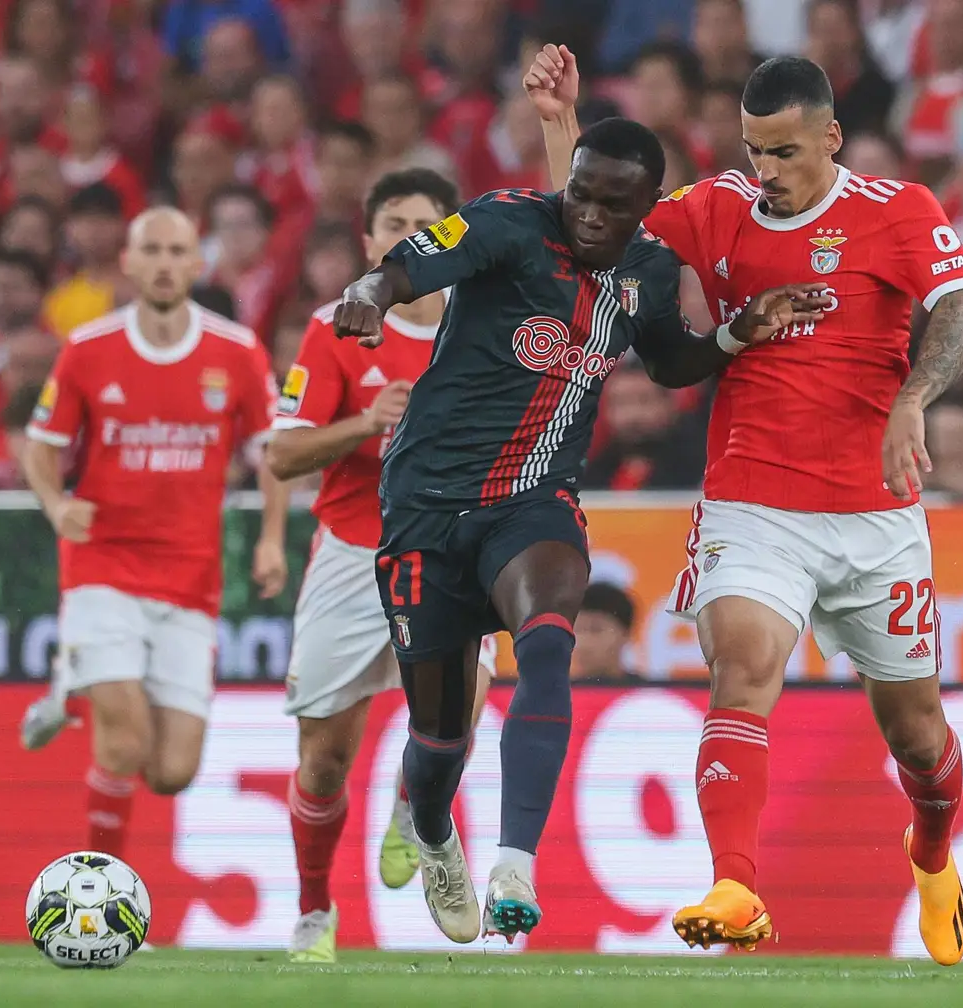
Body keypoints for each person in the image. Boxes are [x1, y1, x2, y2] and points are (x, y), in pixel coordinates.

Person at [526, 46, 963, 964]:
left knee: (919, 735)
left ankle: (931, 851)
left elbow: (960, 309)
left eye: (783, 153)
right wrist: (559, 124)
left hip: (875, 514)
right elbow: (597, 224)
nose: (766, 173)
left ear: (831, 138)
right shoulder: (721, 206)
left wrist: (910, 402)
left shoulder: (898, 212)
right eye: (753, 150)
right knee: (741, 668)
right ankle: (735, 883)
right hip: (752, 498)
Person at [330, 117, 825, 944]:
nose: (590, 214)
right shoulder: (505, 221)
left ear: (645, 210)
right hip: (425, 506)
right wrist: (366, 297)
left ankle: (514, 863)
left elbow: (669, 362)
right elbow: (408, 266)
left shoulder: (649, 269)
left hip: (535, 502)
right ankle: (432, 828)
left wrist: (737, 334)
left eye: (612, 205)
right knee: (439, 737)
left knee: (550, 637)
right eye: (581, 194)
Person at [263, 168, 497, 963]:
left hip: (450, 552)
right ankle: (313, 910)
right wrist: (366, 421)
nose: (403, 236)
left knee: (467, 698)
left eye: (421, 222)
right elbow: (283, 451)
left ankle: (411, 806)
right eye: (389, 221)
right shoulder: (339, 325)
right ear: (367, 240)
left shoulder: (484, 320)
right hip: (352, 551)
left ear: (448, 236)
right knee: (324, 759)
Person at [16, 207, 282, 865]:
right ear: (129, 264)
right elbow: (40, 447)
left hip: (192, 579)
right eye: (152, 251)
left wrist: (273, 538)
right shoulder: (86, 350)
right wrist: (56, 506)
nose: (164, 263)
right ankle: (99, 896)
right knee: (125, 742)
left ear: (197, 264)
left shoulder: (237, 352)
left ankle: (65, 687)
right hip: (102, 566)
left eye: (177, 251)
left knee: (171, 770)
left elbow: (272, 454)